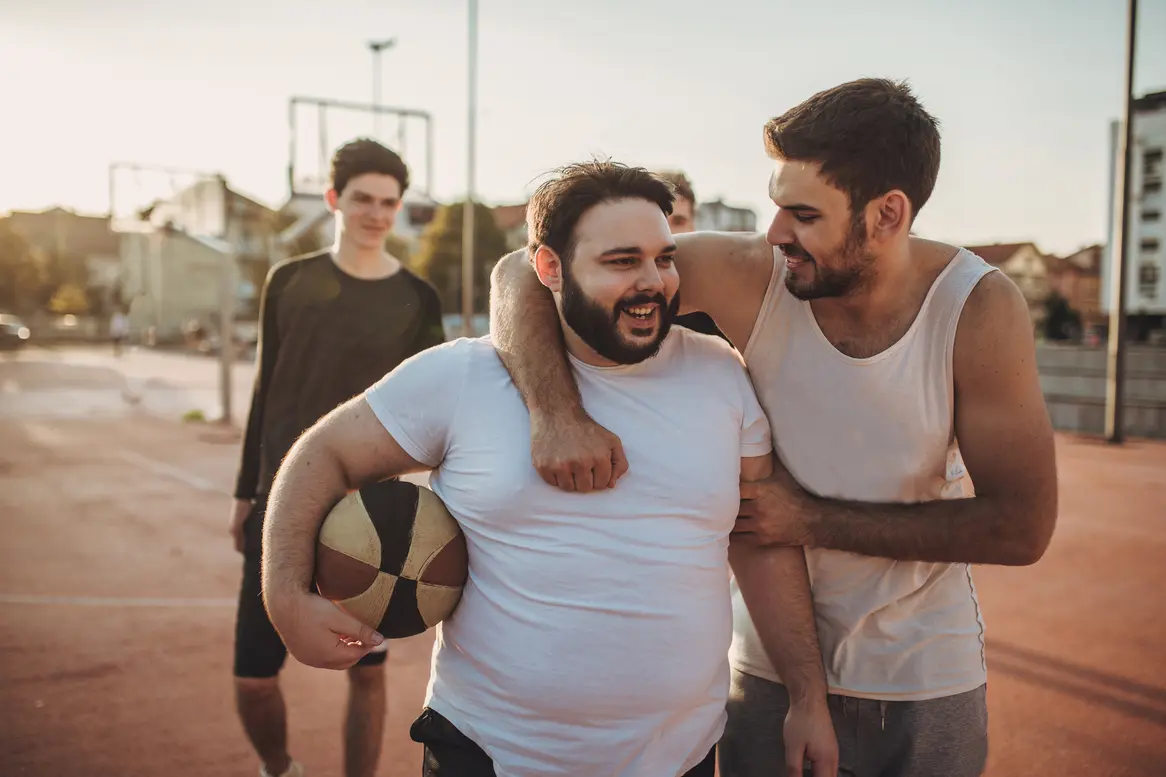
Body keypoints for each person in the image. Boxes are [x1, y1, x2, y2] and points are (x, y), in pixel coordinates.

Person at [487, 79, 1059, 777]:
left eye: (803, 212)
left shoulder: (976, 308)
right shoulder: (754, 275)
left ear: (887, 214)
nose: (776, 230)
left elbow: (1020, 527)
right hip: (765, 673)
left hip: (924, 678)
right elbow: (523, 271)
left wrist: (809, 518)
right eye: (775, 204)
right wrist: (555, 414)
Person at [261, 160, 839, 777]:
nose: (654, 283)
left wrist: (808, 695)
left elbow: (759, 539)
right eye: (621, 262)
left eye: (663, 258)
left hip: (679, 757)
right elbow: (323, 451)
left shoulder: (722, 374)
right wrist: (285, 595)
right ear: (549, 269)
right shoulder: (460, 377)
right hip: (489, 753)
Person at [228, 138, 445, 777]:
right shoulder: (289, 282)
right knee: (254, 680)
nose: (377, 213)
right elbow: (266, 390)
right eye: (363, 199)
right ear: (334, 200)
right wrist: (245, 492)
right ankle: (280, 769)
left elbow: (434, 409)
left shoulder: (418, 298)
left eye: (389, 202)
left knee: (366, 671)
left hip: (368, 516)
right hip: (281, 503)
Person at [655, 171, 724, 339]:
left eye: (678, 221)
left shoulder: (715, 299)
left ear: (692, 226)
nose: (668, 233)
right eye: (659, 221)